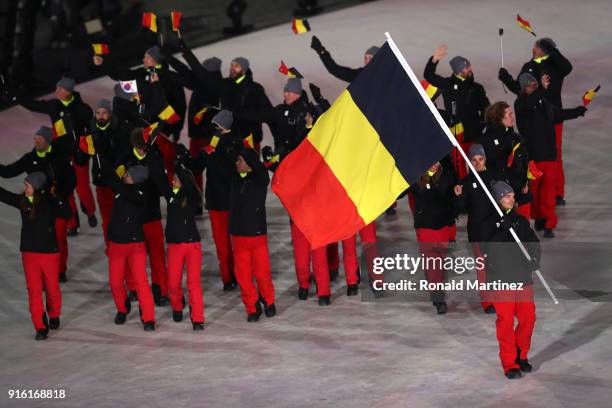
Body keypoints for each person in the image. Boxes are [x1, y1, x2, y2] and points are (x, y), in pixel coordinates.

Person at [14, 76, 96, 235]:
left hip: (79, 154)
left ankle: (90, 211)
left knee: (83, 187)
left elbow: (91, 131)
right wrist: (15, 95)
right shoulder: (53, 105)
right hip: (61, 155)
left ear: (69, 91)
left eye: (60, 89)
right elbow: (33, 105)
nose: (56, 91)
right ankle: (72, 223)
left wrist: (87, 152)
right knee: (64, 189)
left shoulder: (83, 109)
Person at [499, 38, 572, 205]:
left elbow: (568, 67)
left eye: (537, 47)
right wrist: (506, 78)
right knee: (534, 157)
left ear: (544, 50)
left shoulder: (555, 65)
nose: (533, 49)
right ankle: (536, 193)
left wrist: (552, 50)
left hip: (552, 116)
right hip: (532, 120)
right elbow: (519, 89)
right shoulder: (528, 66)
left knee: (555, 156)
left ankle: (557, 193)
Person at [514, 73, 586, 238]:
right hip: (533, 157)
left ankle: (548, 223)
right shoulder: (521, 104)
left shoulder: (543, 102)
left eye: (535, 85)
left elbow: (557, 115)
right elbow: (530, 104)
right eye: (531, 85)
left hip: (549, 155)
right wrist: (541, 90)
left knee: (548, 192)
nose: (535, 87)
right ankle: (539, 217)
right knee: (535, 192)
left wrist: (577, 111)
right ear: (524, 88)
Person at [480, 181, 540, 379]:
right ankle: (509, 363)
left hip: (522, 278)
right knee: (505, 322)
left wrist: (534, 259)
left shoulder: (520, 220)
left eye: (513, 196)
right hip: (501, 280)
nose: (511, 199)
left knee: (528, 319)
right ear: (497, 199)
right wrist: (502, 230)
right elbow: (487, 249)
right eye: (506, 196)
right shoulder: (488, 223)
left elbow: (533, 242)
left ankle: (521, 354)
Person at [0, 172, 70, 340]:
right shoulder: (22, 201)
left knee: (52, 288)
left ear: (36, 188)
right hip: (29, 254)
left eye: (28, 186)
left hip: (49, 253)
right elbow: (3, 194)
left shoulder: (49, 203)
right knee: (34, 291)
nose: (25, 188)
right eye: (25, 185)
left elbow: (67, 214)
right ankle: (40, 326)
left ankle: (54, 313)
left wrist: (57, 196)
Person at [0, 126, 75, 282]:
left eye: (39, 139)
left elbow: (71, 180)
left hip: (55, 204)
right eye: (35, 138)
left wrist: (59, 194)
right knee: (39, 237)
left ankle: (60, 270)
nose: (36, 141)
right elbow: (8, 172)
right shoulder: (29, 158)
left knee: (59, 238)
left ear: (47, 140)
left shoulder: (59, 157)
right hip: (37, 206)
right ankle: (42, 271)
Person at [182, 110, 240, 291]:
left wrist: (214, 151)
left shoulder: (236, 144)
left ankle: (240, 275)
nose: (212, 128)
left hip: (233, 202)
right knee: (222, 244)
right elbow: (197, 167)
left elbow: (230, 169)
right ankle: (228, 278)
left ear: (223, 126)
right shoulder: (211, 146)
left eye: (216, 125)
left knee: (236, 244)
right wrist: (185, 157)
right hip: (217, 203)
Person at [115, 128, 171, 305]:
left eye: (144, 146)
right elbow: (117, 182)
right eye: (140, 146)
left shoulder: (154, 157)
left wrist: (172, 200)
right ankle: (133, 288)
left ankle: (160, 291)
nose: (142, 149)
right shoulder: (124, 159)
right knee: (132, 256)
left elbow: (162, 183)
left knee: (157, 255)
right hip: (132, 218)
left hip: (152, 215)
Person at [424, 45, 490, 179]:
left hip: (474, 133)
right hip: (457, 134)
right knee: (458, 163)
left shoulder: (477, 88)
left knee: (476, 162)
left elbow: (486, 108)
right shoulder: (448, 84)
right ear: (458, 70)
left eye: (469, 66)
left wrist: (483, 126)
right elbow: (429, 76)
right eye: (466, 67)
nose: (470, 69)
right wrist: (434, 59)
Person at [104, 163, 156, 331]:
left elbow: (119, 186)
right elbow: (105, 178)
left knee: (141, 282)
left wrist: (116, 177)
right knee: (115, 282)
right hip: (117, 244)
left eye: (128, 175)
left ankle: (148, 318)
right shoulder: (122, 190)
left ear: (136, 179)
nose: (125, 176)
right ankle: (122, 308)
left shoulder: (140, 194)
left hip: (135, 244)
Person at [75, 99, 131, 245]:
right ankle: (112, 248)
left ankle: (126, 246)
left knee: (125, 217)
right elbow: (81, 161)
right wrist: (81, 150)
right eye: (98, 113)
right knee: (107, 219)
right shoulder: (91, 133)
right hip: (103, 183)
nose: (100, 116)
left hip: (120, 182)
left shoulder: (120, 131)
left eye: (104, 113)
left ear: (110, 114)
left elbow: (126, 154)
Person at [229, 148, 276, 322]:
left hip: (257, 235)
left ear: (248, 163)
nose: (236, 163)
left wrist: (254, 158)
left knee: (262, 273)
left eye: (240, 160)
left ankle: (268, 301)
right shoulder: (233, 179)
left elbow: (263, 172)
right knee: (243, 276)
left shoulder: (259, 179)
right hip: (239, 237)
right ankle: (252, 307)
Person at [408, 162, 456, 314]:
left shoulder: (447, 177)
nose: (435, 164)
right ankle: (438, 297)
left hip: (442, 225)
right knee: (433, 262)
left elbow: (453, 202)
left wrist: (457, 195)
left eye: (438, 161)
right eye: (431, 161)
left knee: (439, 263)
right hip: (425, 227)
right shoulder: (415, 178)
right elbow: (400, 192)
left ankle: (434, 285)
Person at [454, 144, 496, 313]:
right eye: (474, 160)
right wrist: (458, 196)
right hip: (478, 232)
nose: (477, 163)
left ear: (485, 160)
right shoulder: (466, 183)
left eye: (480, 159)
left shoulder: (494, 178)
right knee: (483, 268)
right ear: (469, 163)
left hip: (495, 230)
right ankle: (487, 301)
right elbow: (461, 208)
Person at [164, 164, 205, 331]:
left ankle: (198, 318)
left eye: (175, 179)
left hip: (192, 244)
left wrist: (182, 171)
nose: (172, 182)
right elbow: (161, 182)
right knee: (173, 283)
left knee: (193, 283)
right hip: (175, 245)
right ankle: (177, 306)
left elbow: (195, 195)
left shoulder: (191, 196)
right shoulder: (171, 195)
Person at [479, 101, 532, 219]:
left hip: (521, 194)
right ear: (498, 118)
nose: (512, 117)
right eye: (509, 115)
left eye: (512, 114)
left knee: (523, 231)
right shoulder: (485, 140)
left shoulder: (516, 138)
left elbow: (526, 163)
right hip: (502, 197)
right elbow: (484, 169)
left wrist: (527, 183)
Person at [310, 35, 379, 83]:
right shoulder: (361, 75)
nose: (367, 60)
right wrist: (322, 52)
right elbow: (335, 70)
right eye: (365, 58)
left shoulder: (387, 72)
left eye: (370, 57)